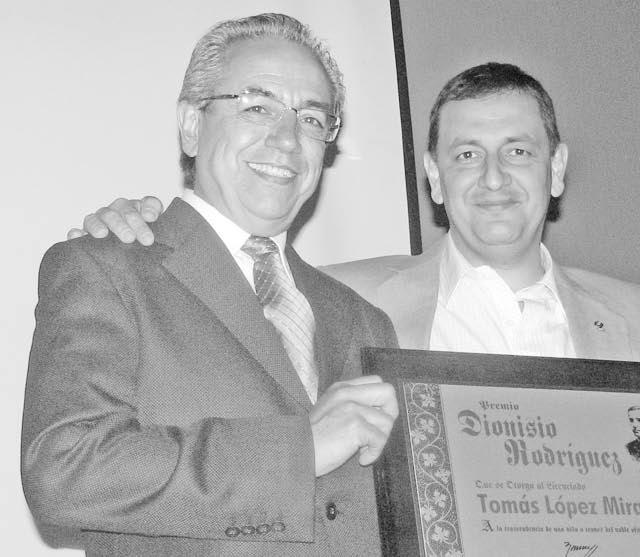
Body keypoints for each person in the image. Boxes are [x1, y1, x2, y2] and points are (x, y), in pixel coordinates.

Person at [22, 14, 399, 556]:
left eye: (312, 119)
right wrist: (300, 450)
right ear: (191, 125)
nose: (287, 139)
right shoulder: (104, 268)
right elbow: (65, 471)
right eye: (257, 107)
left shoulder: (365, 319)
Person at [74, 62, 640, 364]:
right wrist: (143, 235)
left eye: (518, 151)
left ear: (556, 168)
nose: (494, 178)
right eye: (467, 155)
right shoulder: (340, 300)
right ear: (435, 177)